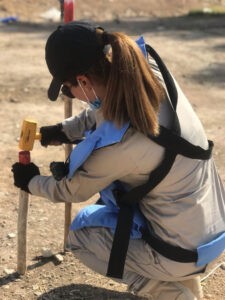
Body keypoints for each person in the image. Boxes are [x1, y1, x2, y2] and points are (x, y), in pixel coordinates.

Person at [12, 21, 225, 300]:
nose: (69, 95)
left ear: (84, 81)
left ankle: (169, 292)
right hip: (211, 232)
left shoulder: (120, 147)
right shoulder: (144, 72)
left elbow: (71, 189)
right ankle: (183, 280)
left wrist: (31, 181)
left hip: (182, 251)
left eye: (67, 87)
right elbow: (104, 110)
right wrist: (64, 130)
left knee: (81, 236)